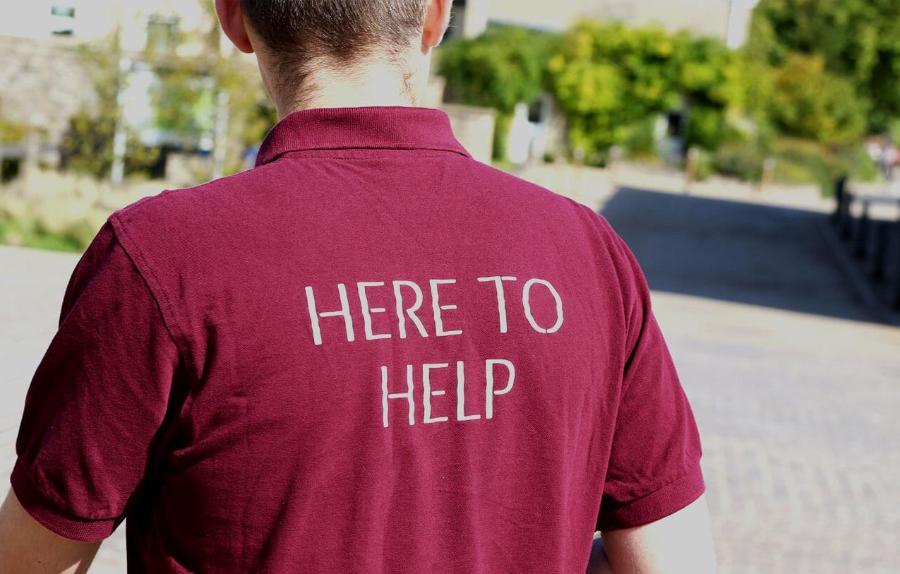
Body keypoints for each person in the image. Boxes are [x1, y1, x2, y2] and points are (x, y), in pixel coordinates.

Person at [0, 1, 717, 572]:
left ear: (232, 19)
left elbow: (39, 558)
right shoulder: (587, 251)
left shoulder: (163, 257)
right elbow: (669, 555)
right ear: (435, 17)